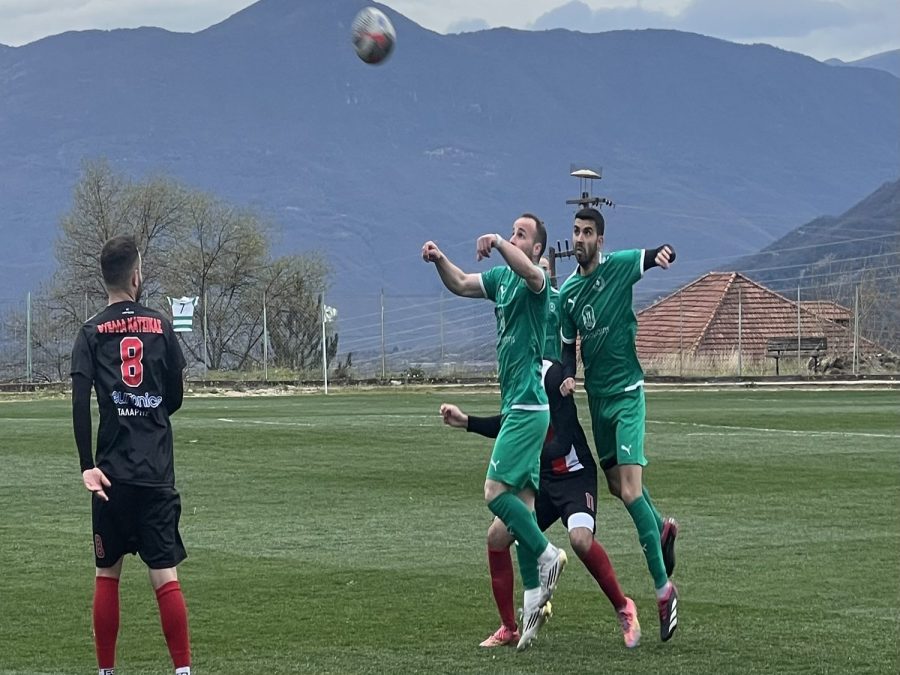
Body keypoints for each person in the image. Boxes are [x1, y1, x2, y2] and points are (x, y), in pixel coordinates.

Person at [422, 215, 566, 650]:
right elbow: (462, 282)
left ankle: (548, 555)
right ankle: (529, 607)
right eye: (512, 231)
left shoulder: (535, 282)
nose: (514, 237)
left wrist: (502, 242)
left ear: (536, 249)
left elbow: (530, 272)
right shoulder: (502, 279)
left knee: (493, 492)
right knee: (508, 524)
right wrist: (439, 259)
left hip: (526, 407)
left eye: (523, 235)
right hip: (521, 408)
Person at [440, 357, 641, 649]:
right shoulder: (519, 373)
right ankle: (509, 627)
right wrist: (467, 421)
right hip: (543, 478)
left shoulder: (552, 375)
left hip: (574, 475)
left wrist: (522, 452)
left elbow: (563, 440)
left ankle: (624, 606)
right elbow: (511, 424)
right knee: (497, 537)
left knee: (580, 540)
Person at [71, 235, 191, 675]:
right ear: (136, 277)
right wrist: (150, 413)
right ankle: (182, 671)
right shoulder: (161, 326)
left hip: (111, 475)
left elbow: (79, 401)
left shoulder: (90, 331)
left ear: (104, 278)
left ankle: (106, 671)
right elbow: (175, 397)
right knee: (165, 576)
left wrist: (87, 464)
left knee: (107, 573)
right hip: (155, 471)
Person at [558, 207, 680, 642]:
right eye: (576, 231)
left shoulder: (619, 266)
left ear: (600, 240)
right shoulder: (568, 293)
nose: (580, 238)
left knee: (630, 491)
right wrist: (568, 374)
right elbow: (567, 345)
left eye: (587, 232)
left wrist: (663, 254)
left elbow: (652, 254)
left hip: (627, 394)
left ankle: (663, 590)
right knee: (615, 486)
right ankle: (661, 527)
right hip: (598, 402)